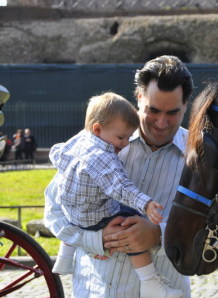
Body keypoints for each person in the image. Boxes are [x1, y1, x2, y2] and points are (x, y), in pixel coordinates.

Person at [44, 55, 193, 298]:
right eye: (153, 110)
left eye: (172, 112)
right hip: (96, 291)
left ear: (186, 105)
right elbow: (54, 210)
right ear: (139, 98)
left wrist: (160, 234)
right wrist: (97, 238)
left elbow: (213, 231)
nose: (161, 122)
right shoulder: (94, 145)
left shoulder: (201, 157)